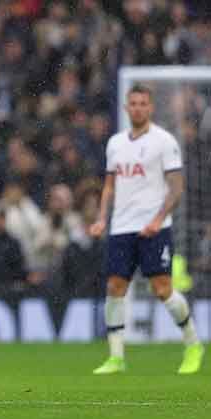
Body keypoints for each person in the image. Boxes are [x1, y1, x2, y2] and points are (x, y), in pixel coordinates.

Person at [90, 84, 204, 375]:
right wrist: (102, 217)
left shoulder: (164, 141)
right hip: (122, 227)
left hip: (155, 228)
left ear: (151, 108)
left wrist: (158, 218)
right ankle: (116, 356)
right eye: (134, 103)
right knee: (115, 288)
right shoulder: (115, 143)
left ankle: (193, 343)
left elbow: (177, 188)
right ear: (127, 108)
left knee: (162, 289)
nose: (138, 107)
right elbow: (110, 185)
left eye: (143, 103)